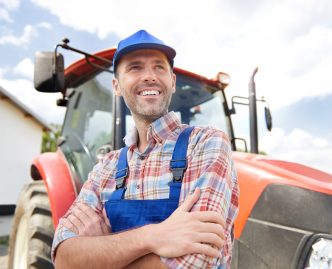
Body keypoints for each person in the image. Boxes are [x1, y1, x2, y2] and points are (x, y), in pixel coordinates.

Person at [52, 29, 239, 269]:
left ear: (172, 82)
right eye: (135, 67)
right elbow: (65, 259)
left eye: (159, 67)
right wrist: (152, 236)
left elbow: (196, 262)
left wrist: (102, 250)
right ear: (117, 86)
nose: (149, 76)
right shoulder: (105, 167)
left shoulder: (206, 144)